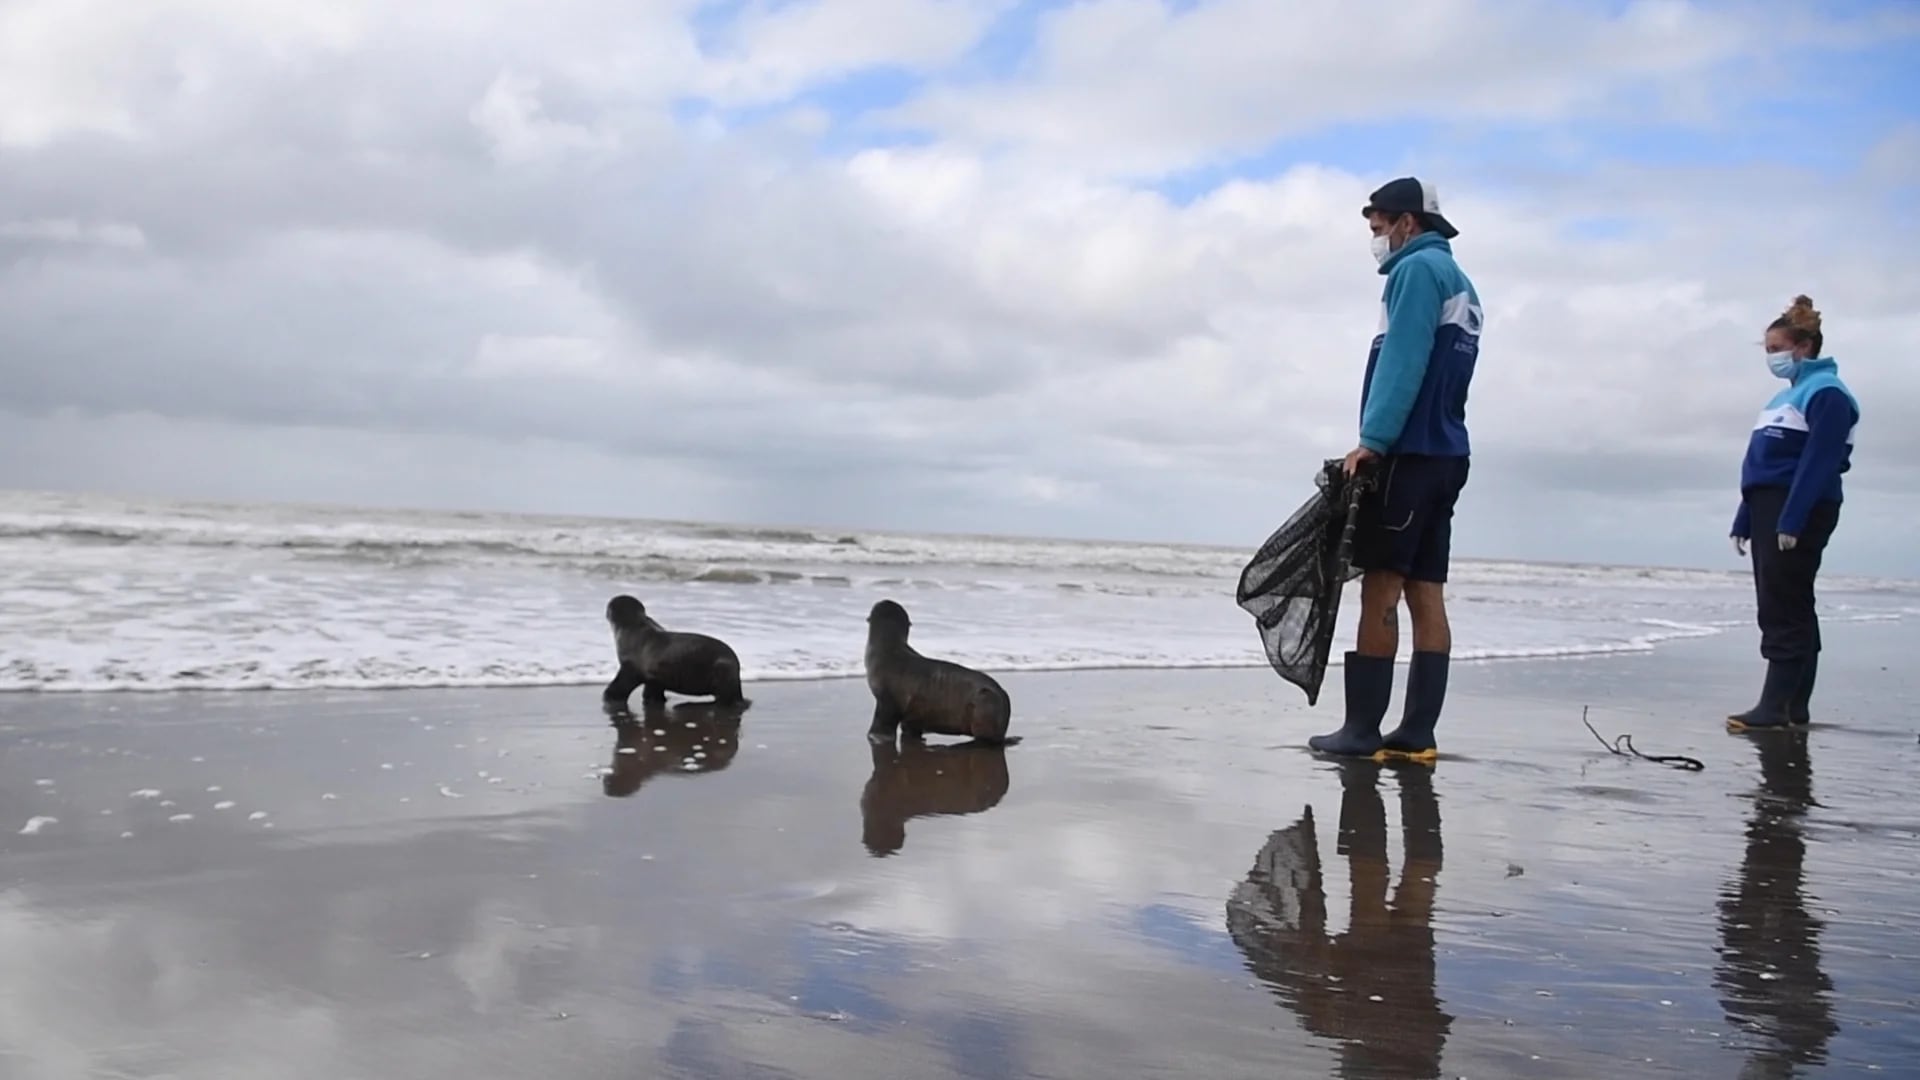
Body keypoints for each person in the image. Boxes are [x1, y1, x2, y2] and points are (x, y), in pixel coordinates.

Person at [1309, 177, 1483, 761]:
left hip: (1409, 455)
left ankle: (1361, 730)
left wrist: (1373, 440)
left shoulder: (1415, 272)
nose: (1377, 237)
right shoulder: (1461, 282)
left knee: (1381, 587)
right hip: (1448, 454)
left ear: (1408, 222)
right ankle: (1417, 734)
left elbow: (1403, 361)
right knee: (1426, 592)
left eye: (1380, 226)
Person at [1727, 295, 1858, 731]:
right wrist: (1745, 518)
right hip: (1770, 506)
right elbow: (1761, 467)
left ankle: (1774, 708)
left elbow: (1818, 463)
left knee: (1783, 609)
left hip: (1798, 507)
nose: (1772, 359)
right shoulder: (1785, 398)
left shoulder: (1828, 394)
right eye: (1767, 351)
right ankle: (1792, 708)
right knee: (1789, 604)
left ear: (1802, 347)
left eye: (1775, 349)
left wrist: (1792, 518)